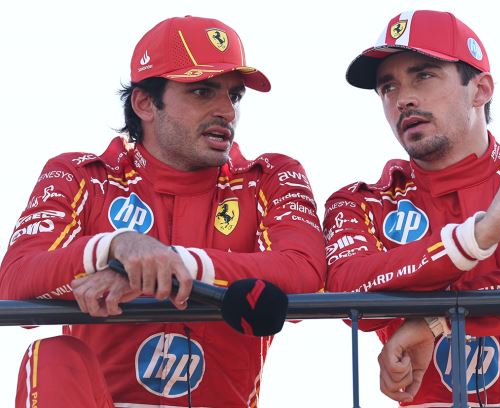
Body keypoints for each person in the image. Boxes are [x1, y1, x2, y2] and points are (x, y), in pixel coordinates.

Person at [0, 16, 326, 408]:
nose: (227, 111)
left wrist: (168, 265)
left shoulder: (271, 175)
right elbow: (14, 281)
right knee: (51, 356)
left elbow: (306, 272)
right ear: (144, 103)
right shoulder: (79, 174)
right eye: (203, 92)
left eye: (235, 96)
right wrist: (114, 247)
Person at [324, 9, 500, 406]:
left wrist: (437, 321)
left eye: (423, 75)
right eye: (388, 87)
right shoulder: (361, 202)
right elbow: (347, 289)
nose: (403, 99)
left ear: (481, 89)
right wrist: (477, 236)